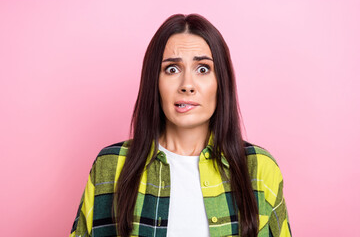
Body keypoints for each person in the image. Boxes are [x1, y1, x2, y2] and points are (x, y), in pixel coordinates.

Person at [69, 13, 292, 237]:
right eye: (172, 69)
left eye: (203, 69)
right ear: (154, 81)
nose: (187, 85)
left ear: (221, 82)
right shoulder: (111, 166)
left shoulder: (259, 169)